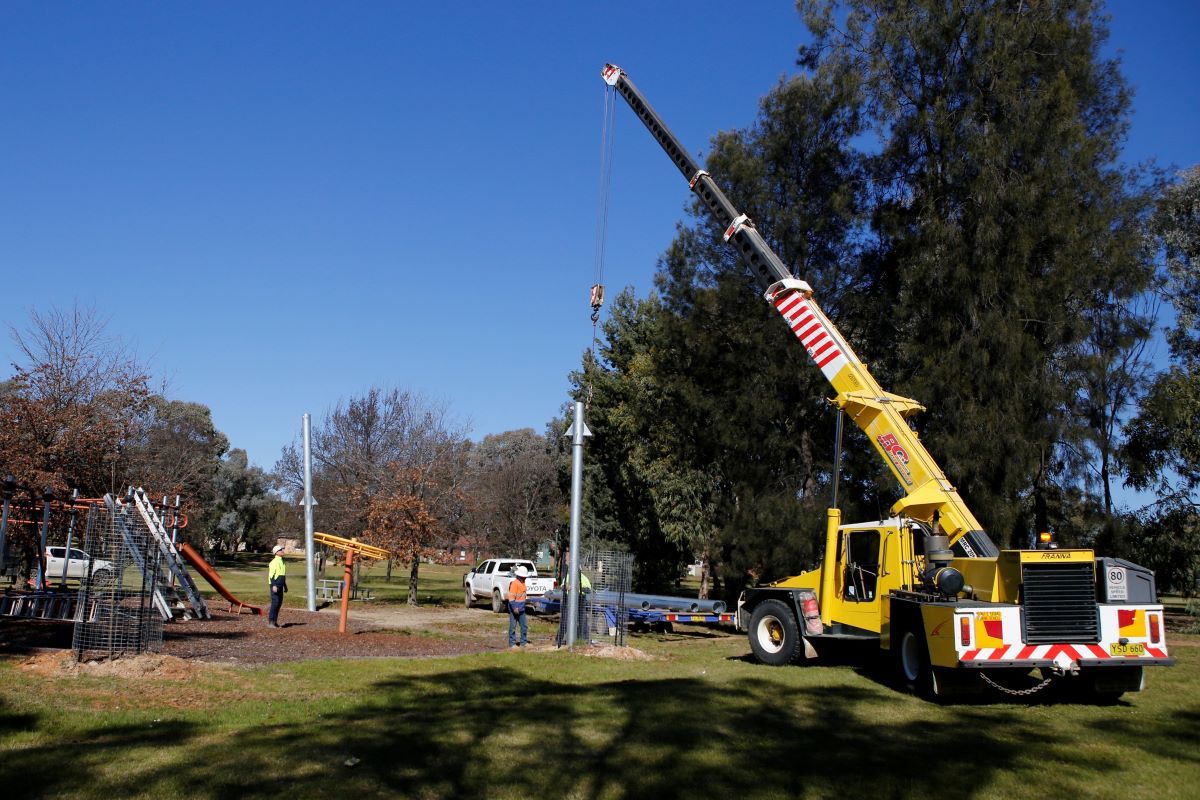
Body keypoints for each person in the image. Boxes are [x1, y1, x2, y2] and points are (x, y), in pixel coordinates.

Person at [555, 568, 592, 646]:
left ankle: (585, 639)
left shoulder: (584, 578)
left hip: (580, 601)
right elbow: (562, 587)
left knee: (583, 621)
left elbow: (588, 590)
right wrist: (566, 587)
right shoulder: (568, 577)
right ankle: (559, 639)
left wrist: (581, 588)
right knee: (565, 620)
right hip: (568, 601)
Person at [507, 565, 529, 647]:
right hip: (515, 609)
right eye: (523, 577)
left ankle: (523, 642)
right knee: (513, 627)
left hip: (521, 609)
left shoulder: (523, 583)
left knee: (524, 626)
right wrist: (514, 607)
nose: (525, 578)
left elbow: (522, 596)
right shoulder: (514, 583)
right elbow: (511, 597)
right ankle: (512, 644)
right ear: (519, 576)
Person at [267, 545, 288, 628]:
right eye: (281, 550)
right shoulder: (273, 562)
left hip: (280, 585)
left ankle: (275, 622)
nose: (283, 551)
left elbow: (282, 575)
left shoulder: (282, 561)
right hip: (274, 585)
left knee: (279, 603)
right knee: (275, 603)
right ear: (276, 552)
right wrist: (274, 585)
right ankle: (271, 622)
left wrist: (285, 586)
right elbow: (271, 576)